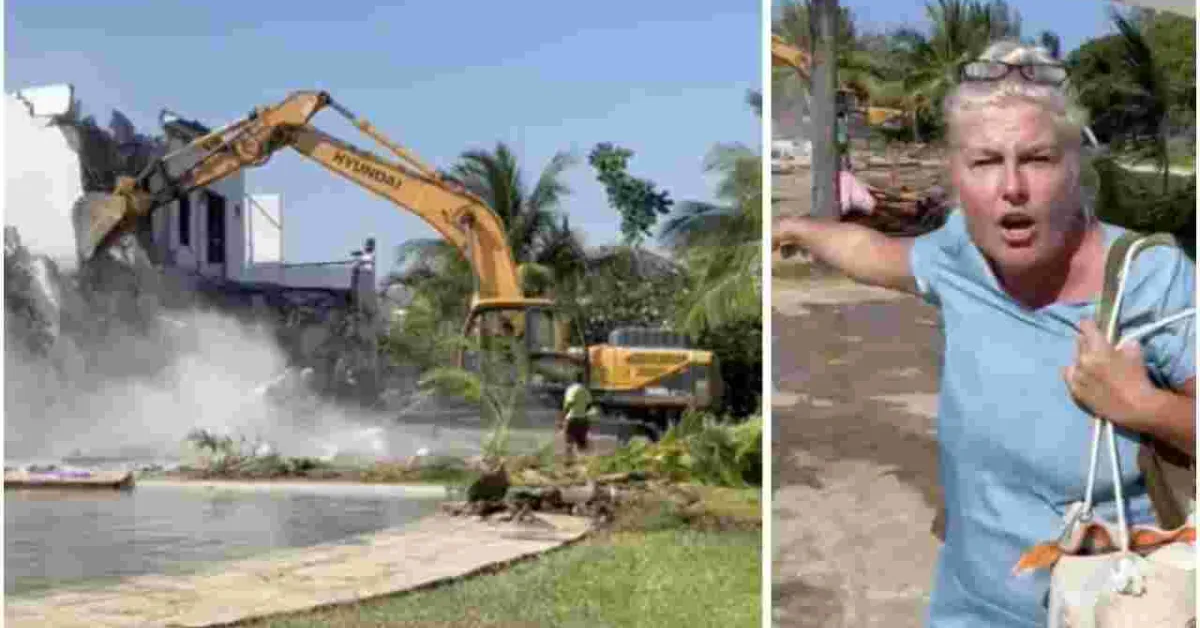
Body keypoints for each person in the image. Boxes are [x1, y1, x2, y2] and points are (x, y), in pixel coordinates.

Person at [774, 40, 1195, 626]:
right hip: (966, 609)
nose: (1012, 187)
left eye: (1039, 159)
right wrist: (796, 229)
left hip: (1106, 606)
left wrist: (1143, 406)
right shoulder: (958, 253)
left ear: (1075, 168)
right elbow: (875, 253)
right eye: (985, 162)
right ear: (957, 174)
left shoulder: (1152, 279)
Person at [560, 371, 593, 458]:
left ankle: (569, 462)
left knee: (569, 442)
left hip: (572, 419)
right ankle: (584, 463)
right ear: (582, 380)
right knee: (582, 443)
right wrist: (582, 410)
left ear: (573, 379)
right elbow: (589, 404)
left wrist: (562, 418)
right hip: (583, 419)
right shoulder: (585, 390)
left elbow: (568, 405)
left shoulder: (571, 389)